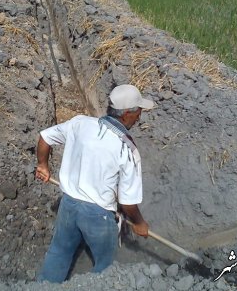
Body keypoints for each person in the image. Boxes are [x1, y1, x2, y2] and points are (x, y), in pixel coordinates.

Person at [35, 84, 154, 283]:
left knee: (59, 252)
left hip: (69, 206)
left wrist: (42, 165)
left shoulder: (80, 123)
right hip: (98, 215)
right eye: (138, 111)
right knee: (105, 268)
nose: (140, 116)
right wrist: (140, 223)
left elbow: (45, 137)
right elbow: (128, 203)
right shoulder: (127, 149)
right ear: (126, 114)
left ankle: (45, 286)